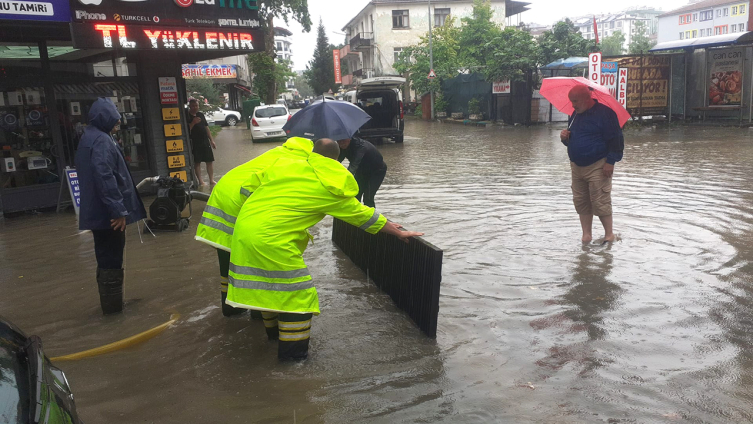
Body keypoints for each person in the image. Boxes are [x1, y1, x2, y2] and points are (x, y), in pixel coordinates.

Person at [227, 138, 422, 360]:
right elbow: (361, 215)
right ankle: (293, 361)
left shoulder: (286, 164)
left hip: (243, 230)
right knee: (299, 297)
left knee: (270, 289)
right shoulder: (329, 182)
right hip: (271, 240)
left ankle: (273, 338)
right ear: (335, 159)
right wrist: (397, 231)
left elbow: (247, 187)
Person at [195, 137, 314, 317]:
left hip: (221, 199)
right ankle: (257, 310)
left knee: (227, 260)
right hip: (238, 205)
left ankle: (231, 309)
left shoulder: (278, 152)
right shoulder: (294, 162)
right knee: (252, 261)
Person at [75, 98, 146, 315]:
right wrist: (118, 210)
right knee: (112, 258)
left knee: (105, 257)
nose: (117, 125)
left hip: (97, 212)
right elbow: (104, 176)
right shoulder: (102, 141)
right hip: (108, 215)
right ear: (105, 118)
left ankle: (112, 305)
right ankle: (114, 310)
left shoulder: (89, 137)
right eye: (114, 120)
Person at [560, 85, 624, 244]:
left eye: (575, 101)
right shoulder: (575, 114)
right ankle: (586, 236)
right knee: (581, 200)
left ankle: (609, 235)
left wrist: (611, 162)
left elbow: (616, 140)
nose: (573, 104)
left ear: (587, 99)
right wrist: (564, 138)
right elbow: (573, 141)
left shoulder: (606, 114)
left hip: (598, 164)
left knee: (600, 199)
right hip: (576, 166)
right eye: (571, 101)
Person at [336, 137, 388, 207]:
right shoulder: (342, 146)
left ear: (349, 138)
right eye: (339, 141)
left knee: (368, 197)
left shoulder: (361, 147)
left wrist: (345, 181)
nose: (341, 144)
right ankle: (355, 215)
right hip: (362, 170)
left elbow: (353, 166)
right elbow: (336, 162)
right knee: (355, 195)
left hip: (377, 170)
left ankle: (371, 217)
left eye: (343, 141)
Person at [187, 99, 216, 186]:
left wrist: (211, 140)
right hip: (195, 142)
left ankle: (211, 180)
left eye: (196, 106)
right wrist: (193, 122)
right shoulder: (187, 116)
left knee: (209, 161)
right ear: (190, 106)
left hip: (205, 141)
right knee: (197, 162)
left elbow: (207, 128)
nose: (195, 107)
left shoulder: (200, 115)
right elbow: (187, 130)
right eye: (193, 106)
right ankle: (201, 181)